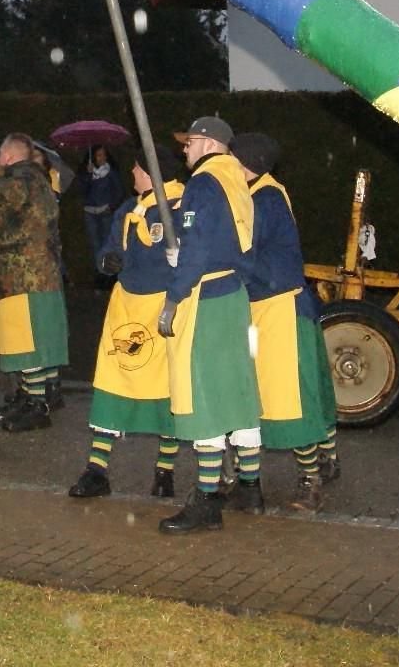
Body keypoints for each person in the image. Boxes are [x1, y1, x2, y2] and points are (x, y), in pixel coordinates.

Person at [155, 116, 262, 535]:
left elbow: (197, 248)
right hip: (233, 293)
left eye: (189, 142)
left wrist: (174, 293)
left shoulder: (204, 183)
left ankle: (206, 501)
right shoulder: (238, 181)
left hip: (208, 299)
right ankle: (250, 490)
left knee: (204, 400)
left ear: (209, 143)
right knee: (235, 393)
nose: (185, 150)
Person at [230, 132, 337, 513]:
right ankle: (326, 458)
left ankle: (311, 481)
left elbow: (240, 254)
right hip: (267, 308)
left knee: (290, 399)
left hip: (281, 310)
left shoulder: (264, 200)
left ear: (246, 164)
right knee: (286, 391)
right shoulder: (263, 194)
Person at [68, 160, 185, 500]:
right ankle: (96, 470)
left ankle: (165, 471)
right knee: (112, 383)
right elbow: (109, 248)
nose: (131, 174)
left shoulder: (180, 206)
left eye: (135, 168)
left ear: (150, 171)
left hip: (162, 306)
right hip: (126, 305)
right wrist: (108, 261)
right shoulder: (129, 208)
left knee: (167, 389)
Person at [0, 133, 67, 431]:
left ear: (9, 156)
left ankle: (38, 406)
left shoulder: (28, 179)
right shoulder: (28, 177)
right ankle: (27, 398)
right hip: (18, 276)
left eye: (0, 157)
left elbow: (11, 191)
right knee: (19, 342)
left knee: (29, 344)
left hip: (28, 277)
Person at [81, 145, 124, 291]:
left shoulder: (111, 173)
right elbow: (82, 191)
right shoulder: (88, 173)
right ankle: (100, 275)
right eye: (98, 155)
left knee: (107, 243)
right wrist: (88, 176)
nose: (101, 158)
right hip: (90, 213)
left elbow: (119, 191)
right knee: (95, 245)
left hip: (105, 212)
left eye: (104, 155)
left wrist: (110, 207)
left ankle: (109, 276)